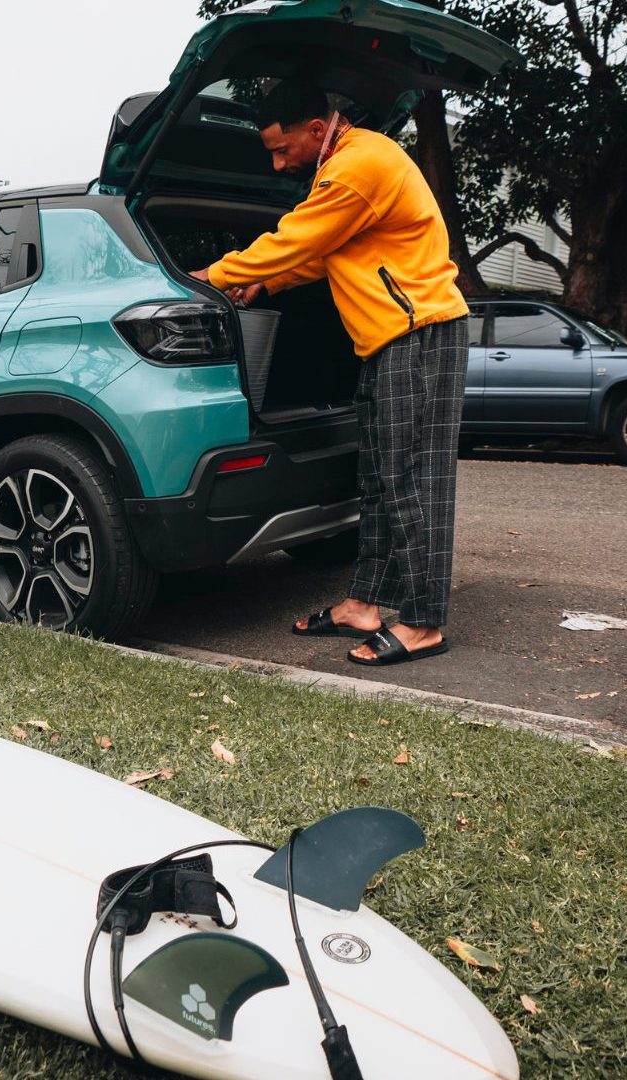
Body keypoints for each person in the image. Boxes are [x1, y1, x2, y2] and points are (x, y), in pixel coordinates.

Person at [191, 81, 469, 666]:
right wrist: (267, 282)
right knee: (379, 478)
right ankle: (363, 605)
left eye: (280, 147)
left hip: (418, 333)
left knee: (414, 482)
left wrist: (211, 276)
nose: (276, 161)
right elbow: (324, 254)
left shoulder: (359, 165)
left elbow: (300, 237)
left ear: (317, 130)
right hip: (384, 342)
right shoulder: (346, 163)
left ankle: (422, 622)